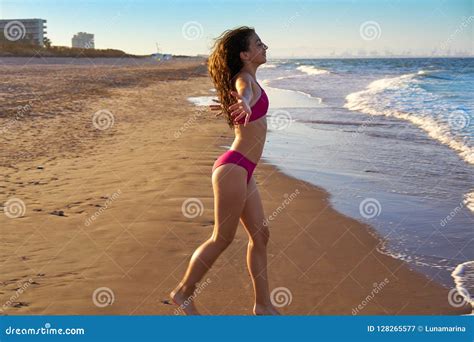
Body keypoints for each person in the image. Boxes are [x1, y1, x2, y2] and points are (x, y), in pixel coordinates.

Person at [170, 26, 279, 315]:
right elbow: (243, 92)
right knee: (222, 237)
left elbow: (244, 96)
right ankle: (183, 292)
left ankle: (263, 305)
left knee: (261, 235)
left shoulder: (249, 80)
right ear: (245, 54)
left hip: (244, 171)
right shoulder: (244, 80)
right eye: (258, 43)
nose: (265, 46)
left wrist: (240, 102)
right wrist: (241, 101)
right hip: (233, 169)